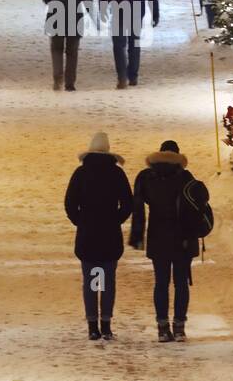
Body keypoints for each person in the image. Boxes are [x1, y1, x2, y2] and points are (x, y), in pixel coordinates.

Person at [129, 140, 209, 342]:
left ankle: (163, 328)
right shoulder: (185, 177)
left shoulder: (147, 177)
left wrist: (138, 237)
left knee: (161, 283)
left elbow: (137, 206)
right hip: (183, 237)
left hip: (158, 236)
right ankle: (180, 327)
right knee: (181, 283)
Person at [64, 132, 133, 341]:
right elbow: (127, 203)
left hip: (88, 236)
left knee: (92, 280)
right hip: (110, 235)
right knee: (108, 281)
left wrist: (81, 220)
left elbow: (69, 203)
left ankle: (93, 325)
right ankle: (106, 324)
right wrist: (115, 219)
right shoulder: (117, 174)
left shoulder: (81, 173)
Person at [42, 0, 93, 91]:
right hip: (75, 20)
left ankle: (57, 77)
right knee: (72, 52)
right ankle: (70, 83)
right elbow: (88, 1)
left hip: (55, 18)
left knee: (56, 49)